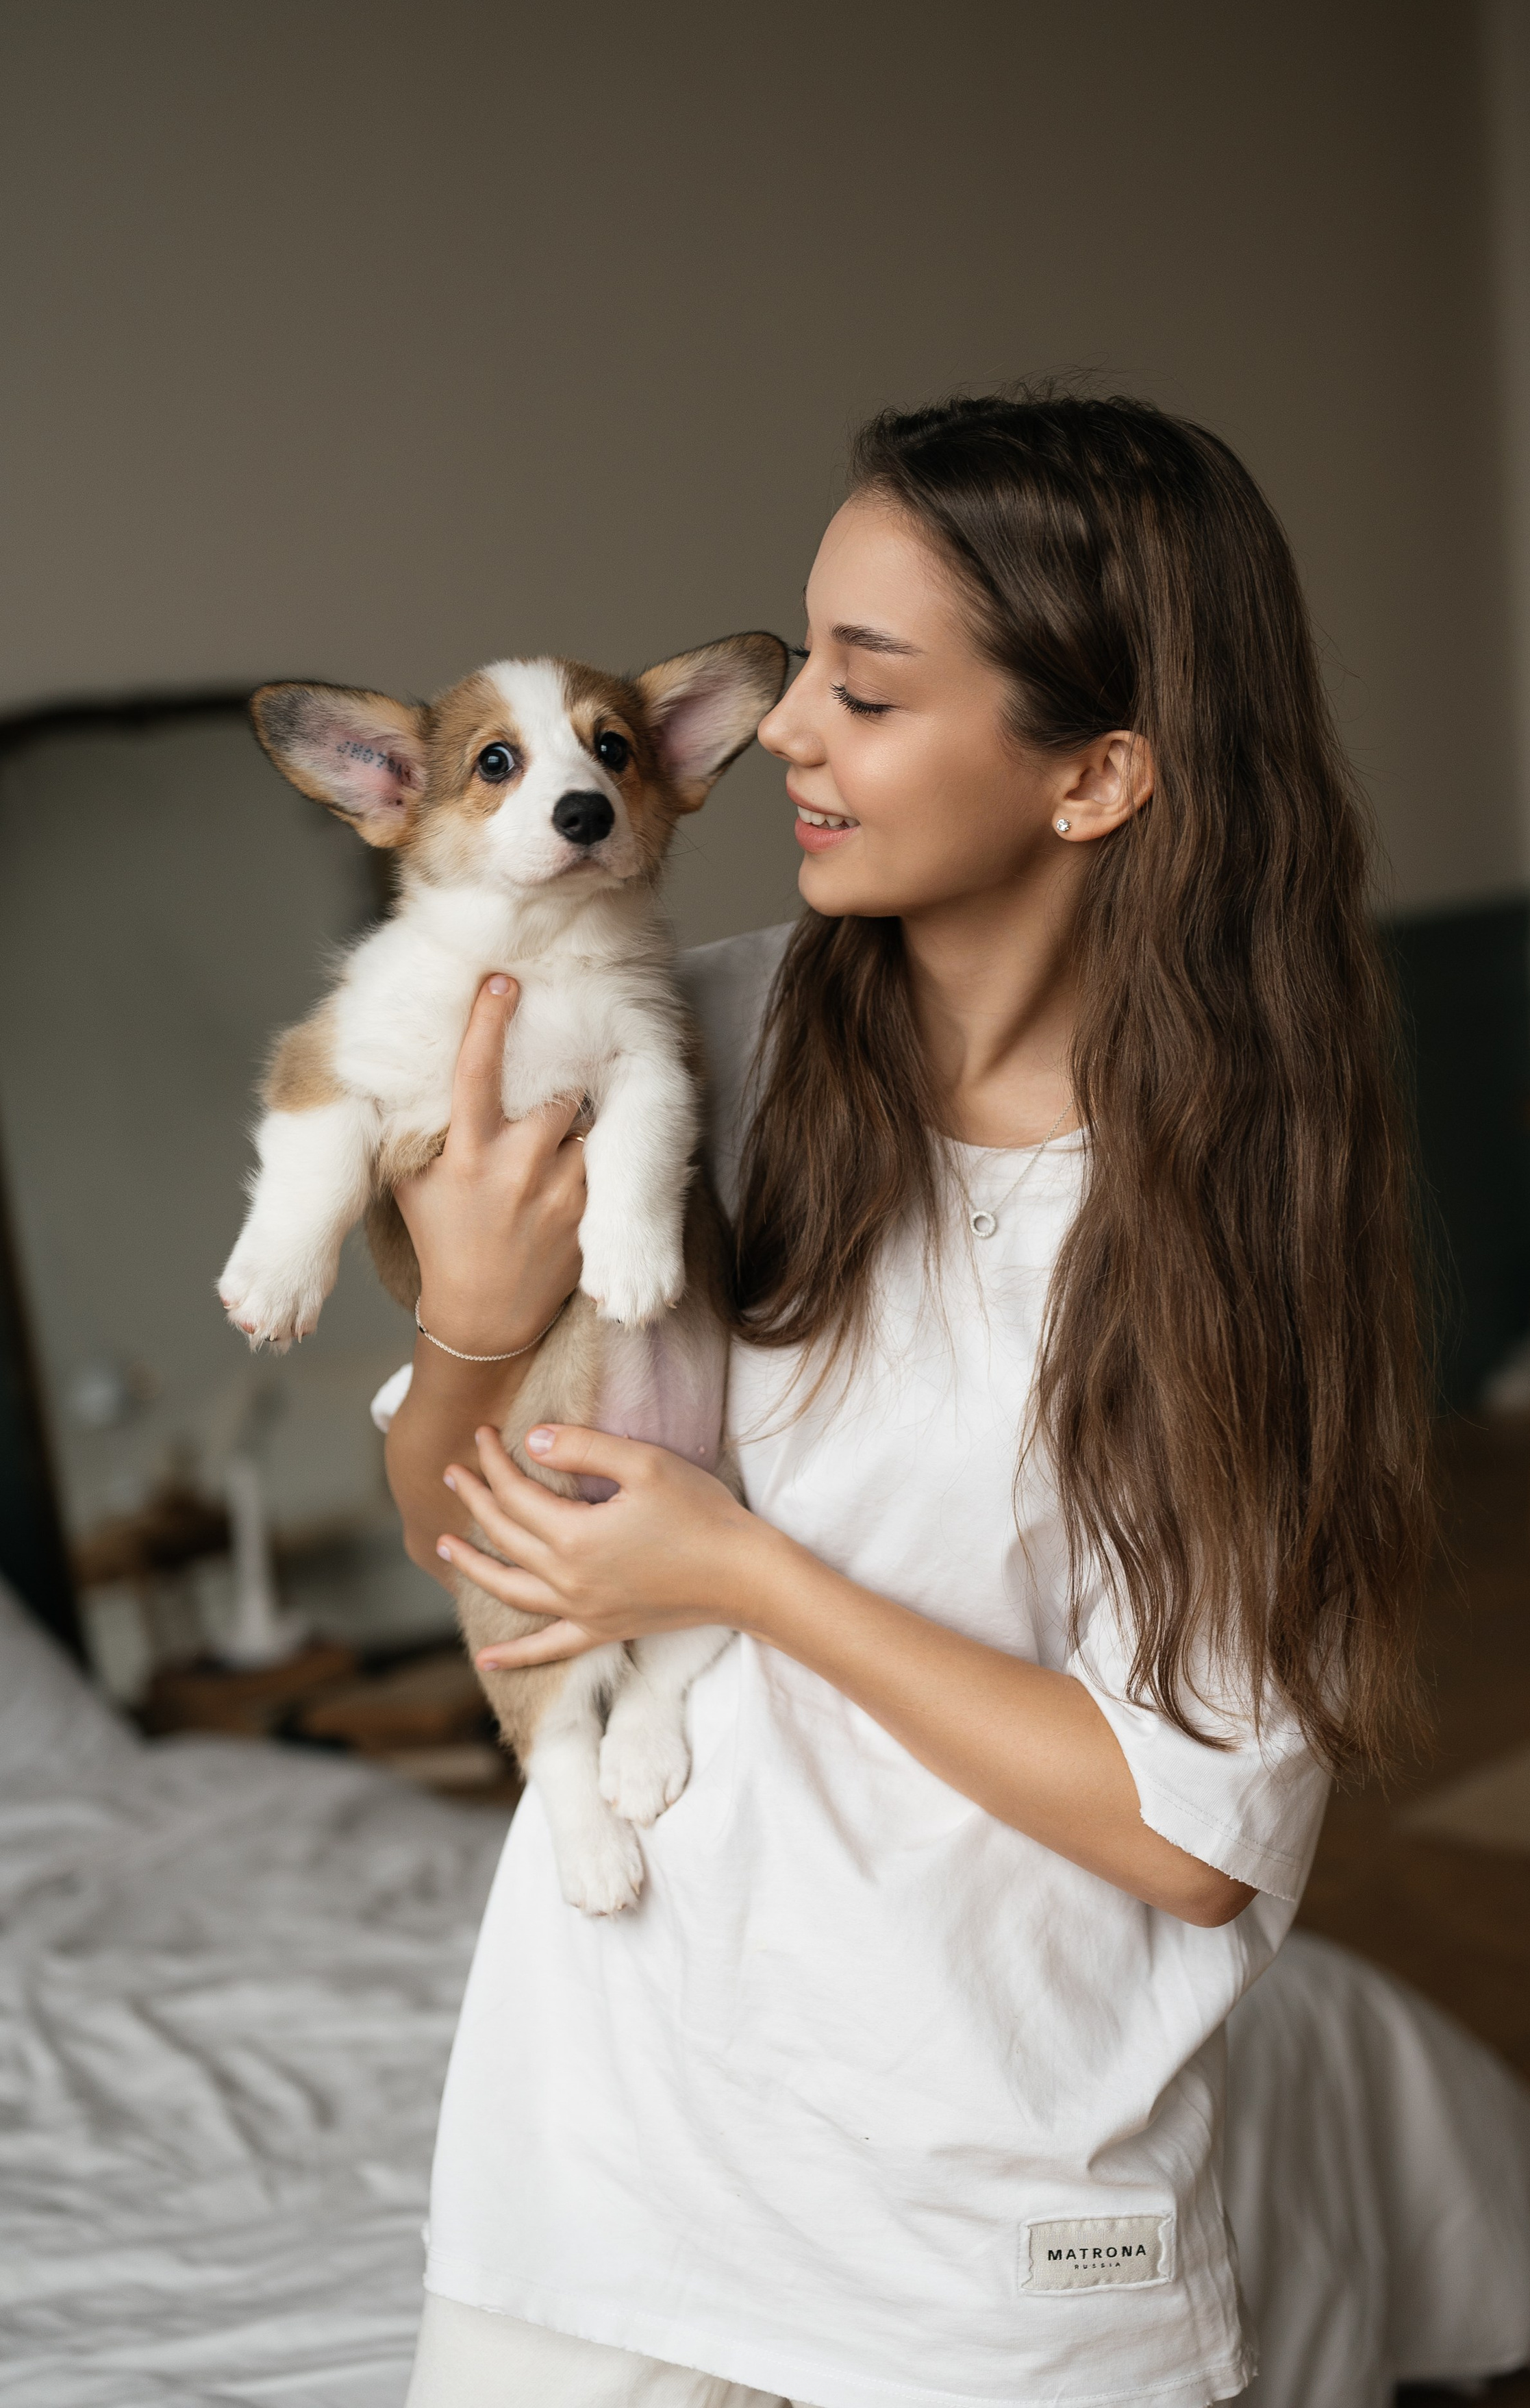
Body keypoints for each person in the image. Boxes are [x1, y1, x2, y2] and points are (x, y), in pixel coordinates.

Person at [386, 393, 1433, 2408]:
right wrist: (473, 1326)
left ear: (1096, 774)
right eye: (808, 669)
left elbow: (1191, 1834)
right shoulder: (677, 1040)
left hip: (986, 2221)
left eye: (864, 692)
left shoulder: (1236, 1207)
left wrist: (743, 1577)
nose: (784, 729)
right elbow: (472, 1539)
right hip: (599, 2151)